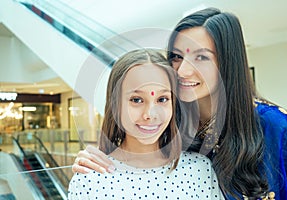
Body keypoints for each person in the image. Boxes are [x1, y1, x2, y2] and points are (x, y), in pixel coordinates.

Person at [72, 8, 287, 199]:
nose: (183, 70)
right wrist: (94, 160)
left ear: (227, 62)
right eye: (177, 57)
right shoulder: (171, 119)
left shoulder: (276, 128)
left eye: (201, 57)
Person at [68, 49, 224, 199]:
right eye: (137, 100)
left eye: (162, 99)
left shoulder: (199, 169)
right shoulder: (89, 178)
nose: (150, 114)